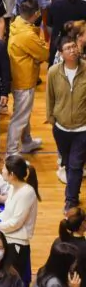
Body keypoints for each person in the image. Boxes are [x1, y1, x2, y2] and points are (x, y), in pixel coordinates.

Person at [0, 155, 40, 285]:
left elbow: (15, 223)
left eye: (4, 168)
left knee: (11, 282)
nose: (1, 170)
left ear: (12, 174)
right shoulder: (13, 187)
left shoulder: (27, 193)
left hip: (17, 243)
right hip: (7, 236)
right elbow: (7, 213)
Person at [46, 37, 86, 209]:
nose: (73, 50)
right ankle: (73, 192)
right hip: (61, 128)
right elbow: (50, 97)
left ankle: (70, 200)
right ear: (61, 54)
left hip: (82, 128)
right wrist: (52, 119)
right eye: (68, 48)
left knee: (76, 165)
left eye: (74, 46)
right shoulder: (54, 72)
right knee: (68, 164)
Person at [7, 0, 45, 158]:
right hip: (24, 79)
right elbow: (43, 53)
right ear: (36, 14)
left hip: (18, 76)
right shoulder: (27, 34)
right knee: (20, 117)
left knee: (24, 113)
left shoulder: (17, 23)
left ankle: (27, 141)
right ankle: (12, 152)